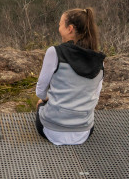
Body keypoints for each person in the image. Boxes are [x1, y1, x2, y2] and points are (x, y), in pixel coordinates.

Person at [35, 8, 105, 145]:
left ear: (70, 29)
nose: (58, 27)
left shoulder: (55, 52)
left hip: (51, 131)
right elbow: (96, 95)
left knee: (41, 104)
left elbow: (40, 91)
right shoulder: (99, 59)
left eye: (60, 24)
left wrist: (45, 99)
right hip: (84, 132)